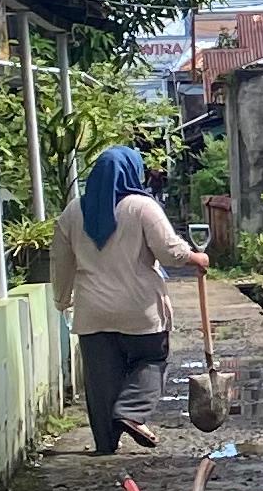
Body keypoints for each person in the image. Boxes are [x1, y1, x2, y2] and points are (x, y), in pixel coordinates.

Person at [50, 145, 208, 456]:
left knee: (100, 381)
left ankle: (105, 443)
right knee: (150, 360)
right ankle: (133, 412)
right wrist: (196, 257)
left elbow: (60, 260)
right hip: (140, 309)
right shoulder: (140, 207)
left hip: (92, 311)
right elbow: (169, 252)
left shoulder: (73, 211)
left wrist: (61, 298)